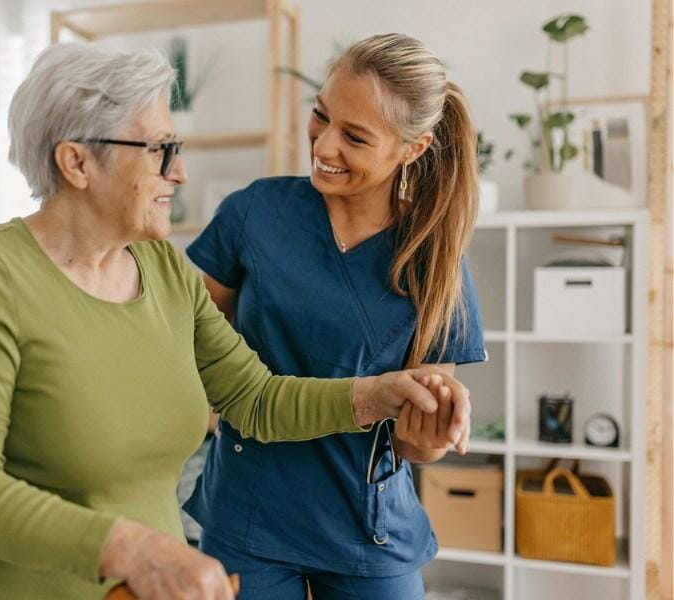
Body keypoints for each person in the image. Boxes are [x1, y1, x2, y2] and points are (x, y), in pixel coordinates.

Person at [0, 42, 471, 600]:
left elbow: (255, 399)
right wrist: (132, 549)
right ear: (77, 161)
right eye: (160, 149)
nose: (180, 173)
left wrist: (380, 396)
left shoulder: (161, 270)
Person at [183, 33, 487, 600]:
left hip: (366, 533)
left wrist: (435, 431)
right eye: (321, 116)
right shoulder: (254, 213)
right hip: (248, 515)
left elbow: (420, 446)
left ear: (412, 148)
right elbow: (187, 339)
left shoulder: (435, 261)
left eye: (354, 136)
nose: (324, 143)